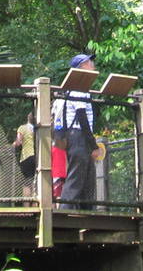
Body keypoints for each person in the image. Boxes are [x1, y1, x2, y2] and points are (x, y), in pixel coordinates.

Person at [54, 53, 97, 208]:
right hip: (78, 135)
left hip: (79, 136)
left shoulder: (80, 88)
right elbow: (82, 116)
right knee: (76, 178)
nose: (92, 64)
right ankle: (63, 214)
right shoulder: (79, 87)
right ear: (81, 67)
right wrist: (93, 144)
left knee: (87, 179)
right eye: (89, 62)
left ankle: (88, 213)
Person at [13, 112, 37, 197]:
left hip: (26, 156)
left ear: (28, 118)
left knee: (26, 183)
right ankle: (35, 206)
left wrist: (13, 144)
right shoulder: (37, 130)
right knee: (35, 183)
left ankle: (26, 207)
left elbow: (19, 142)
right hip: (37, 157)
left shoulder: (22, 128)